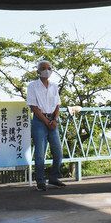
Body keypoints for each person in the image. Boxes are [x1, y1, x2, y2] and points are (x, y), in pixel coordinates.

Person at [27, 60, 65, 191]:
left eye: (49, 68)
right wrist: (46, 121)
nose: (46, 70)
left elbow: (57, 105)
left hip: (52, 120)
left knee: (58, 152)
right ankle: (40, 181)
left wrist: (54, 119)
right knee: (39, 153)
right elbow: (34, 107)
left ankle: (54, 177)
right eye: (43, 68)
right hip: (39, 121)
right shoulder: (32, 86)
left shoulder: (54, 86)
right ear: (38, 71)